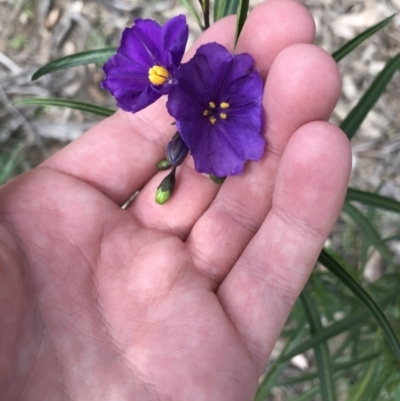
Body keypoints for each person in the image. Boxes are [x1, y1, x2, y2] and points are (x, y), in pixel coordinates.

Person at [0, 0, 351, 399]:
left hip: (212, 120)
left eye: (162, 74)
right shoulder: (183, 109)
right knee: (216, 115)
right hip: (203, 123)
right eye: (158, 75)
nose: (159, 74)